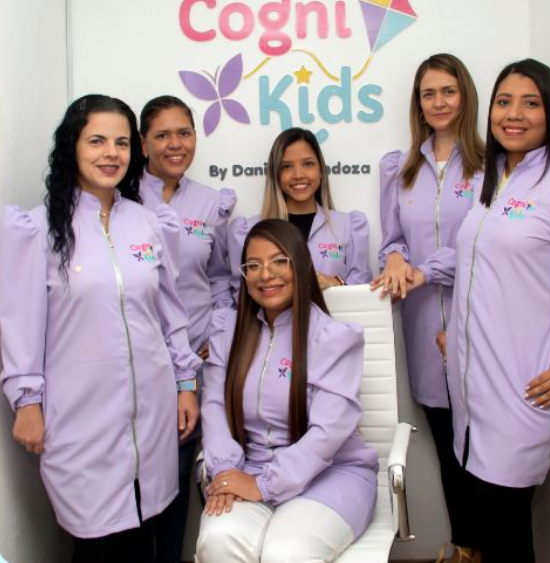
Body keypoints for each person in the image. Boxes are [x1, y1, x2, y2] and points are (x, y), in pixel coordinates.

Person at [0, 95, 200, 563]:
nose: (111, 153)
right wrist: (26, 402)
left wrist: (186, 383)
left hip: (152, 415)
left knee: (148, 534)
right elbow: (19, 325)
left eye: (121, 143)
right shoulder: (38, 230)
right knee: (98, 544)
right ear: (72, 146)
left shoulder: (150, 223)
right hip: (80, 418)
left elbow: (171, 314)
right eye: (97, 141)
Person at [446, 59, 550, 563]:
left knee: (507, 536)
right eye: (504, 102)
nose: (513, 114)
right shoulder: (492, 179)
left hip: (522, 394)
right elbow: (481, 264)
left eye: (530, 103)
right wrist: (457, 328)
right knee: (492, 532)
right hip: (472, 393)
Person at [196, 219, 378, 563]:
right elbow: (215, 407)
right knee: (218, 541)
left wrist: (265, 485)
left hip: (331, 475)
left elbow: (327, 433)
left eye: (279, 261)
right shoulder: (227, 333)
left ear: (301, 266)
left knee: (287, 552)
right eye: (253, 265)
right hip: (249, 468)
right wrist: (225, 472)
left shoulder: (334, 339)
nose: (266, 274)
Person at [371, 53, 484, 563]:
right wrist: (396, 259)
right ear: (417, 103)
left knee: (486, 452)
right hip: (420, 331)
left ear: (465, 96)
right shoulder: (400, 169)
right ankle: (464, 548)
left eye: (448, 91)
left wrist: (426, 270)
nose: (438, 102)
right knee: (446, 451)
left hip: (478, 326)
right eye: (428, 93)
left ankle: (484, 546)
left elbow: (484, 247)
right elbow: (391, 242)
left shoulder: (492, 165)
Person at [139, 95, 236, 563]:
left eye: (183, 133)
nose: (175, 144)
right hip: (139, 359)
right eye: (162, 135)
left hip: (192, 363)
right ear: (143, 144)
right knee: (135, 476)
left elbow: (220, 279)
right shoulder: (123, 197)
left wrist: (214, 337)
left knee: (179, 473)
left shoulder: (211, 203)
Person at [228, 127, 371, 299]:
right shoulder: (247, 231)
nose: (298, 175)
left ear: (320, 170)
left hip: (334, 317)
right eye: (287, 166)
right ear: (276, 174)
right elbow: (241, 298)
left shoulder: (349, 226)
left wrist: (336, 283)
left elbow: (361, 297)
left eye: (308, 164)